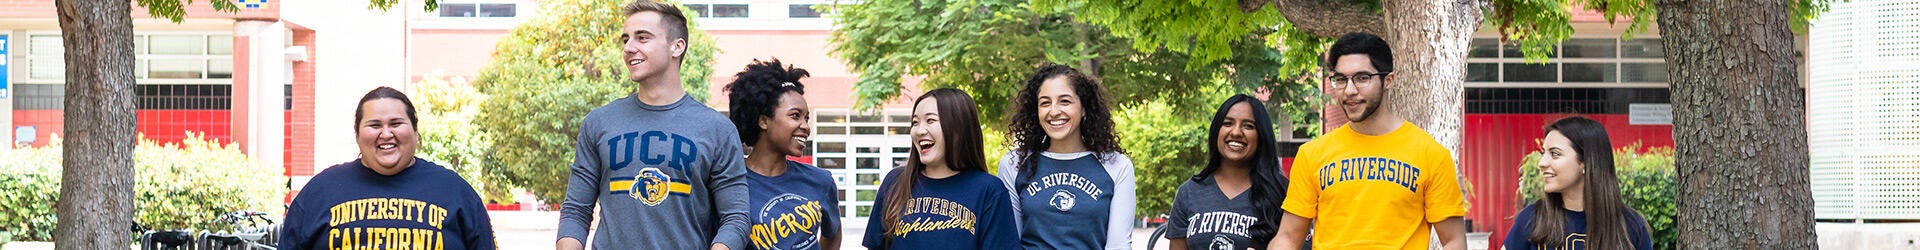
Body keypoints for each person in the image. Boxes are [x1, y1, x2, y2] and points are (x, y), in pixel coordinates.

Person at [555, 1, 749, 249]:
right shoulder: (599, 122)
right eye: (625, 39)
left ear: (677, 46)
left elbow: (736, 218)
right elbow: (575, 211)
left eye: (642, 38)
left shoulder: (718, 130)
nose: (628, 48)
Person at [1272, 32, 1470, 250]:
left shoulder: (1431, 155)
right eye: (1341, 79)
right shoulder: (1312, 154)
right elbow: (1288, 238)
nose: (1349, 90)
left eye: (1362, 78)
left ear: (1388, 81)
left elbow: (1454, 241)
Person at [280, 86, 496, 249]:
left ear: (415, 132)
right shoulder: (319, 192)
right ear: (357, 135)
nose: (385, 134)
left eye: (395, 123)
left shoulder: (455, 192)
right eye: (374, 125)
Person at [996, 64, 1135, 250]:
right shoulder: (1014, 163)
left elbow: (1119, 245)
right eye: (1045, 103)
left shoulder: (1117, 165)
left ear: (1084, 108)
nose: (1053, 111)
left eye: (1065, 101)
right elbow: (1008, 242)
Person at [861, 88, 1020, 250]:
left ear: (959, 127)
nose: (919, 130)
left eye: (930, 120)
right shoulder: (895, 182)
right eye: (915, 122)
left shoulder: (989, 191)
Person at [724, 58, 842, 250]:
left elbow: (833, 234)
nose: (805, 127)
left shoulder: (821, 181)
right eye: (795, 116)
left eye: (806, 118)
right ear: (763, 121)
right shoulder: (729, 183)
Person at [1503, 116, 1654, 250]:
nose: (1542, 163)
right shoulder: (1531, 219)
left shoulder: (1631, 226)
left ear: (1586, 162)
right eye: (1544, 153)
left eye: (1555, 154)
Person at [1164, 94, 1291, 250]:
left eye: (1248, 126)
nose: (1236, 132)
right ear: (1216, 131)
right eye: (1227, 123)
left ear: (1261, 136)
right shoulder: (1188, 193)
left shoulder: (1283, 193)